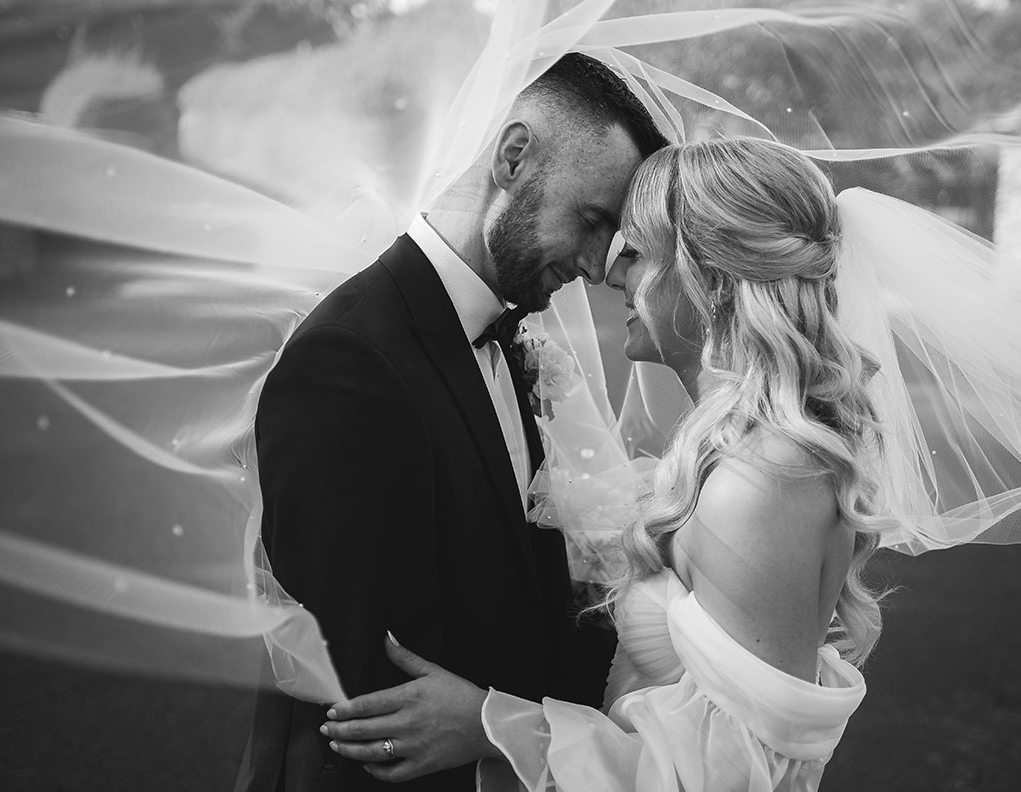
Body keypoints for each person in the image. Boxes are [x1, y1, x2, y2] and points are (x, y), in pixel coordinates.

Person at [320, 137, 885, 790]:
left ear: (711, 274)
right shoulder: (742, 458)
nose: (609, 272)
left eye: (635, 251)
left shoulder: (760, 482)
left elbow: (736, 772)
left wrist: (492, 725)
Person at [234, 52, 667, 792]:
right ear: (513, 156)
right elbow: (362, 696)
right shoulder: (349, 362)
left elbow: (513, 595)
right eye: (591, 222)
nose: (597, 268)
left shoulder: (505, 336)